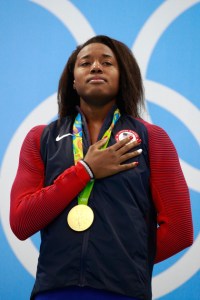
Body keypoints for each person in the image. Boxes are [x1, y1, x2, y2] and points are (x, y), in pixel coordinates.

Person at [10, 35, 193, 300]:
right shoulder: (40, 138)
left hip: (122, 292)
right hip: (55, 291)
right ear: (73, 80)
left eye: (107, 63)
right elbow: (21, 221)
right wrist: (85, 170)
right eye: (85, 63)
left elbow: (180, 232)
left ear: (123, 77)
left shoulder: (153, 138)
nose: (96, 67)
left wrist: (123, 262)